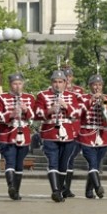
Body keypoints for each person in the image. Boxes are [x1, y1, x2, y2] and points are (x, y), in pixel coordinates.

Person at [36, 69, 83, 202]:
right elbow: (37, 113)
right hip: (50, 133)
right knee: (53, 162)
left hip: (67, 134)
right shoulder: (43, 95)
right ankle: (55, 191)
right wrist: (50, 110)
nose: (57, 85)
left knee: (63, 164)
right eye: (55, 82)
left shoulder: (71, 96)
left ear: (65, 83)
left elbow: (77, 113)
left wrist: (65, 106)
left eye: (60, 82)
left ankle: (61, 189)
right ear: (51, 83)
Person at [0, 73, 35, 201]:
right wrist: (10, 114)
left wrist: (26, 110)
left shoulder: (29, 98)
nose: (17, 86)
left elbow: (34, 116)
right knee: (10, 160)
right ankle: (11, 186)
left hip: (23, 134)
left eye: (19, 83)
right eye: (14, 83)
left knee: (19, 164)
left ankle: (16, 191)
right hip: (7, 133)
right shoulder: (2, 97)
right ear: (10, 84)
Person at [78, 73, 107, 199]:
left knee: (96, 164)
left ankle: (89, 191)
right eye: (95, 85)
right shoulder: (83, 98)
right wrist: (91, 100)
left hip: (102, 135)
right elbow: (79, 111)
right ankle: (98, 187)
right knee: (92, 162)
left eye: (99, 85)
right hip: (87, 135)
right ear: (90, 86)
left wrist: (104, 102)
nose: (97, 87)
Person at [60, 64, 85, 198]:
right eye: (66, 76)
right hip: (63, 127)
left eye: (69, 76)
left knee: (71, 158)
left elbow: (81, 108)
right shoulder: (56, 91)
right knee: (64, 158)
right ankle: (62, 186)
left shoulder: (79, 91)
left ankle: (67, 187)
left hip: (76, 127)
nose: (68, 79)